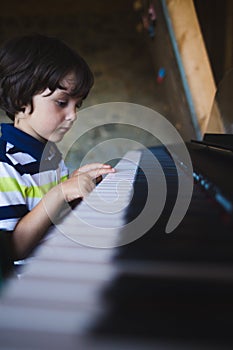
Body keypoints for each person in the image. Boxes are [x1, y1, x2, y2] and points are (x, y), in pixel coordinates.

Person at [0, 34, 115, 261]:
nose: (72, 116)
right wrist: (61, 193)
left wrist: (75, 192)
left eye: (77, 105)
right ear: (21, 98)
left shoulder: (48, 152)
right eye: (62, 103)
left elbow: (53, 221)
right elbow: (11, 250)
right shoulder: (5, 162)